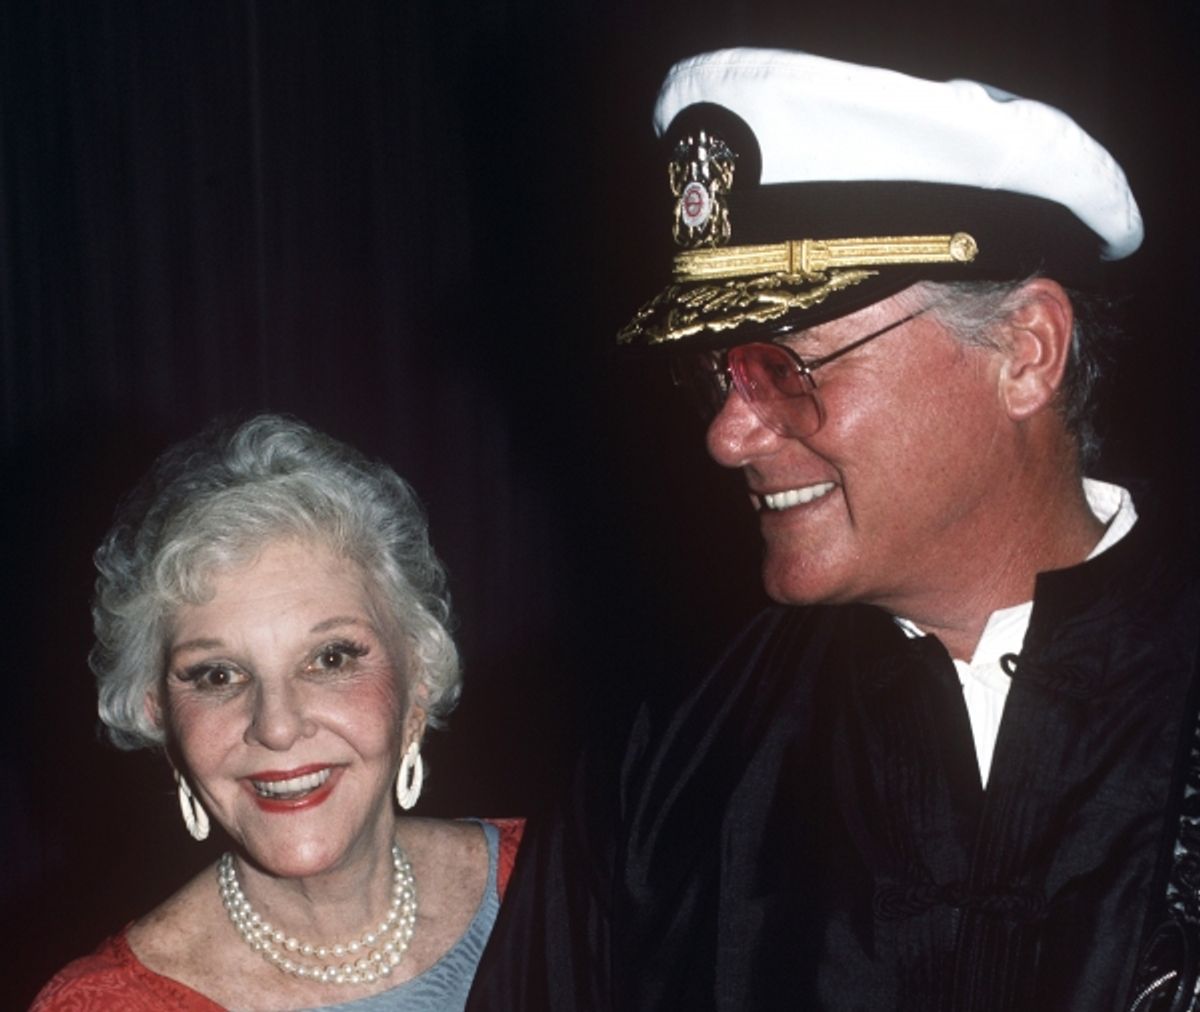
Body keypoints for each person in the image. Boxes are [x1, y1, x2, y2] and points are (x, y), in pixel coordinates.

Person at [466, 49, 1200, 1011]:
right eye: (715, 376)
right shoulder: (670, 755)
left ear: (1025, 352)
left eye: (783, 368)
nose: (725, 437)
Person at [33, 414, 522, 1011]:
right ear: (158, 715)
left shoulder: (563, 883)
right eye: (218, 675)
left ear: (417, 676)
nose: (278, 727)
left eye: (330, 658)